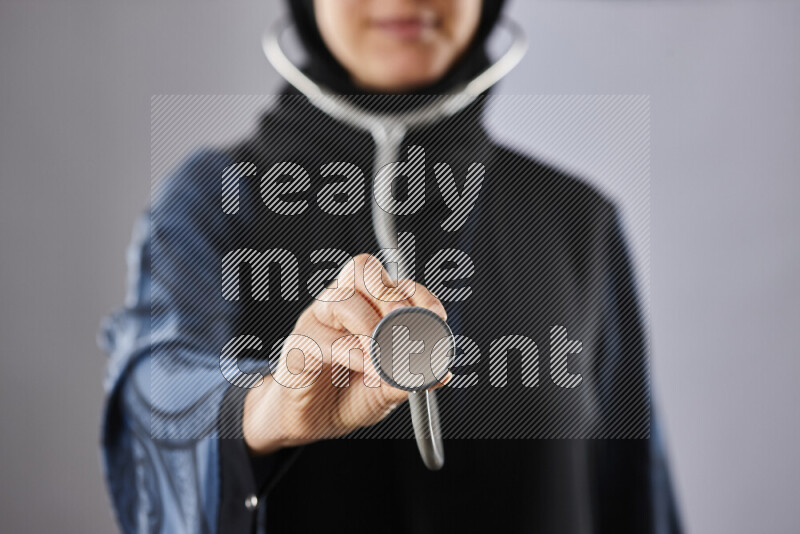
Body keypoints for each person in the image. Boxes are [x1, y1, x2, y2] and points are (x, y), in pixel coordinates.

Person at [100, 1, 682, 532]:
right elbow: (157, 394)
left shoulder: (577, 221)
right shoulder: (212, 198)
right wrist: (263, 408)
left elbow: (635, 497)